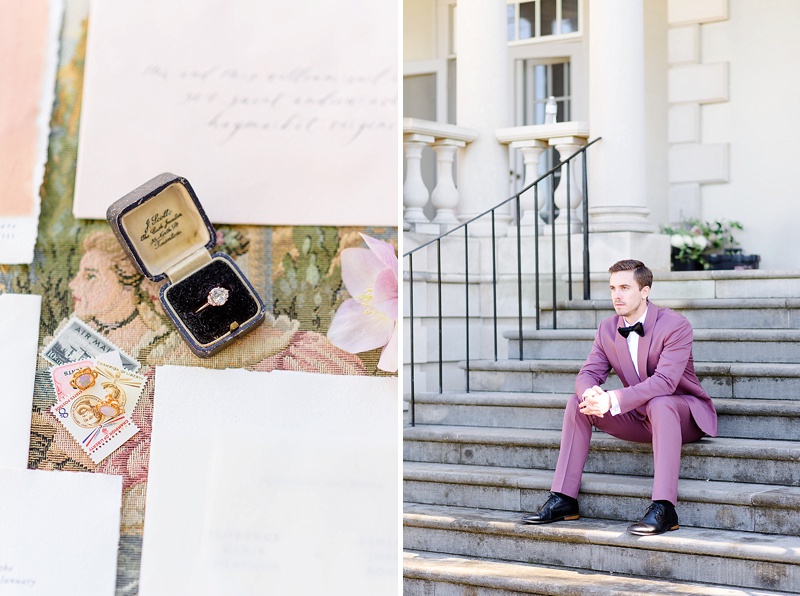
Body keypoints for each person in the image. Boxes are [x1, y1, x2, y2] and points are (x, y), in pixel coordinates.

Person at [522, 259, 717, 535]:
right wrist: (590, 393)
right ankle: (564, 499)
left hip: (682, 415)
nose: (617, 295)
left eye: (625, 287)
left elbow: (665, 382)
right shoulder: (607, 328)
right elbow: (587, 374)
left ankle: (664, 509)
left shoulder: (676, 325)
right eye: (613, 287)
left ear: (645, 291)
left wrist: (612, 399)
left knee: (660, 403)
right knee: (578, 405)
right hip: (639, 416)